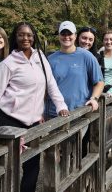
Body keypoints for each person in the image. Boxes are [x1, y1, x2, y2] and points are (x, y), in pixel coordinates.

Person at [0, 22, 69, 192]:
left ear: (34, 37)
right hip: (9, 119)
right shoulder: (9, 63)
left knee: (32, 166)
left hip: (33, 121)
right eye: (21, 35)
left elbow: (51, 84)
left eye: (29, 35)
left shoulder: (41, 58)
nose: (25, 38)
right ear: (15, 37)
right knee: (6, 166)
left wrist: (61, 106)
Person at [44, 21, 104, 158]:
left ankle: (77, 178)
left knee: (74, 152)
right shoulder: (50, 59)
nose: (66, 37)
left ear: (75, 36)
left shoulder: (86, 56)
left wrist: (94, 98)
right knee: (55, 154)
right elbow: (45, 87)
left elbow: (99, 82)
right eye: (63, 34)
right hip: (54, 114)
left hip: (78, 112)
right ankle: (56, 180)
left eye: (69, 34)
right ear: (58, 36)